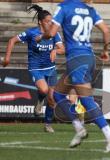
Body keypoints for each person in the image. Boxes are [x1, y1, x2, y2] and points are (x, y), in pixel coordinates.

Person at [36, 0, 110, 152]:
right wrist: (106, 51)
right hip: (88, 58)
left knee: (87, 101)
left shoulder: (64, 7)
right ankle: (79, 128)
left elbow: (52, 33)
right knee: (58, 95)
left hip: (76, 60)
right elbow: (106, 31)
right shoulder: (90, 9)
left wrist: (42, 37)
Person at [2, 5, 65, 133]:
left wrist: (55, 50)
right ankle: (41, 99)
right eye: (47, 21)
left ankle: (47, 124)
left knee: (52, 99)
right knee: (44, 89)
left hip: (51, 69)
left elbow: (62, 49)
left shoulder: (54, 34)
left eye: (51, 21)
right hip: (36, 68)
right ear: (40, 22)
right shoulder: (31, 33)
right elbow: (12, 40)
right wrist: (7, 58)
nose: (50, 24)